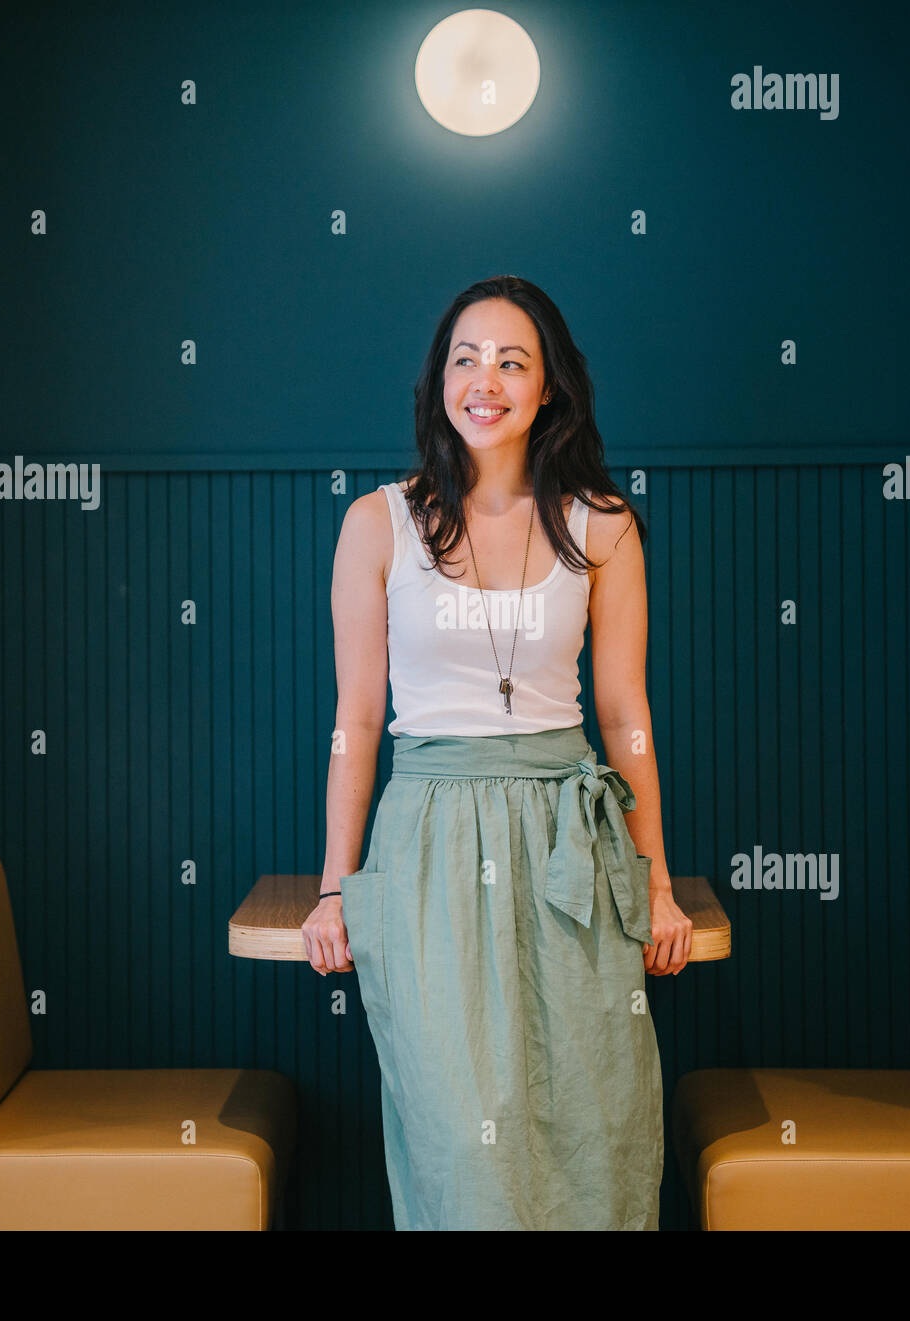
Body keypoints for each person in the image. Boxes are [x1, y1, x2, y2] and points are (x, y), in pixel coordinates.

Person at [301, 274, 692, 1230]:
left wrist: (659, 880)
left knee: (588, 1111)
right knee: (461, 1139)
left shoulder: (603, 524)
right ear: (440, 379)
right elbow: (356, 716)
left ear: (549, 386)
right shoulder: (378, 522)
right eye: (466, 358)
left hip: (568, 834)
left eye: (513, 361)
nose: (487, 379)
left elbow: (624, 709)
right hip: (429, 838)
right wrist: (332, 885)